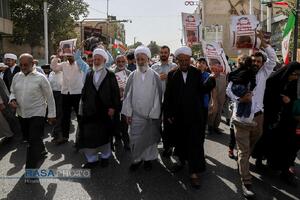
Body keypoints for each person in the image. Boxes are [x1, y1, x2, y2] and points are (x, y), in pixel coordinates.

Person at [226, 32, 276, 198]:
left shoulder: (263, 74)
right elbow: (228, 90)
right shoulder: (239, 74)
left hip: (258, 118)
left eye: (259, 61)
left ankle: (244, 161)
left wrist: (263, 43)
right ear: (249, 62)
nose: (256, 63)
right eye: (253, 61)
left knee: (250, 146)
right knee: (244, 151)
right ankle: (246, 181)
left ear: (262, 64)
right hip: (241, 119)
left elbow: (273, 59)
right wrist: (240, 97)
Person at [163, 46, 215, 189]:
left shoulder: (197, 73)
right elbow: (168, 97)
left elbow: (203, 89)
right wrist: (168, 114)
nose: (184, 63)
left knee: (194, 143)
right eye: (182, 60)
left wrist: (212, 79)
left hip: (194, 116)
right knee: (180, 141)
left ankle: (194, 173)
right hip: (179, 117)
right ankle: (181, 162)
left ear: (190, 60)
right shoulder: (172, 74)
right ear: (177, 60)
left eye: (187, 60)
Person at [9, 53, 56, 183]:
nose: (23, 67)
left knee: (32, 141)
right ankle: (41, 151)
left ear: (32, 64)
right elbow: (12, 91)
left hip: (37, 113)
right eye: (21, 64)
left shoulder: (40, 78)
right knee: (31, 139)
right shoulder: (16, 77)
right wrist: (12, 99)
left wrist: (51, 115)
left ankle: (30, 172)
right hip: (22, 114)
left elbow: (50, 97)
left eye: (26, 65)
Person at [77, 48, 121, 169]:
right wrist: (83, 107)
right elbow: (85, 92)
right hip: (90, 111)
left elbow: (115, 93)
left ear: (104, 60)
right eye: (94, 59)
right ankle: (92, 160)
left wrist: (113, 107)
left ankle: (105, 157)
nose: (95, 61)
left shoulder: (110, 74)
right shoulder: (89, 73)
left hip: (104, 111)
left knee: (104, 136)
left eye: (98, 59)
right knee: (89, 136)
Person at [122, 46, 162, 171]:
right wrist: (128, 113)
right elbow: (127, 95)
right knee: (135, 138)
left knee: (149, 139)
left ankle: (148, 160)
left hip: (150, 116)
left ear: (148, 59)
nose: (140, 61)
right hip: (136, 115)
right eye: (138, 59)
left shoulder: (155, 76)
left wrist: (154, 114)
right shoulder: (132, 76)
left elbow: (158, 96)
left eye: (142, 59)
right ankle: (137, 160)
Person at [267, 62, 300, 185]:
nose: (296, 77)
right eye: (294, 74)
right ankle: (274, 165)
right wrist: (280, 98)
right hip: (276, 119)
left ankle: (285, 171)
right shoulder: (275, 80)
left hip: (290, 120)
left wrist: (290, 102)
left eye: (298, 75)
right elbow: (268, 95)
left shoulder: (295, 84)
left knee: (290, 145)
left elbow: (294, 100)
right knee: (276, 144)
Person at [50, 48, 86, 144]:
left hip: (77, 93)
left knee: (79, 116)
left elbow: (85, 67)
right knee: (65, 116)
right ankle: (65, 137)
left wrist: (78, 52)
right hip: (65, 93)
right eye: (68, 55)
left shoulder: (79, 64)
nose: (69, 56)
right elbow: (53, 67)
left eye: (71, 55)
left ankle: (82, 137)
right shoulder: (63, 64)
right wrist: (57, 55)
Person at [151, 45, 177, 157]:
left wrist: (169, 77)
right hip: (156, 100)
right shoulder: (153, 67)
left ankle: (167, 146)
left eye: (165, 52)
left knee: (168, 125)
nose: (163, 54)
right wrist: (158, 78)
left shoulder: (174, 67)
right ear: (159, 54)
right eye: (161, 52)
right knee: (156, 124)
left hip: (169, 102)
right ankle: (157, 142)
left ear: (169, 53)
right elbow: (150, 83)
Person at [228, 55, 257, 125]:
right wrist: (250, 91)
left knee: (243, 100)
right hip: (240, 87)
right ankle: (246, 117)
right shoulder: (250, 71)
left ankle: (239, 116)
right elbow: (253, 82)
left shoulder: (237, 70)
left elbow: (230, 75)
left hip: (234, 87)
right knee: (248, 100)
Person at [111, 55, 131, 150]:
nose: (121, 63)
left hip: (125, 101)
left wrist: (125, 90)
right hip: (114, 102)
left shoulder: (130, 73)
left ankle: (126, 140)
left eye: (123, 61)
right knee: (115, 120)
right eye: (118, 61)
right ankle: (117, 139)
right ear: (116, 62)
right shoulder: (111, 73)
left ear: (126, 61)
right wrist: (117, 90)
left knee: (124, 122)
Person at [207, 58, 227, 134]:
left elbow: (226, 86)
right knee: (212, 111)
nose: (216, 66)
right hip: (213, 98)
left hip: (221, 98)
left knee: (219, 112)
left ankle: (216, 127)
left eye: (217, 64)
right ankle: (210, 126)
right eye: (212, 64)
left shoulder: (224, 76)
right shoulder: (211, 76)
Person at [48, 57, 63, 144]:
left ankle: (58, 134)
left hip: (61, 95)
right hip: (52, 95)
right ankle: (56, 133)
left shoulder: (63, 73)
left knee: (60, 114)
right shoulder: (51, 74)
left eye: (57, 63)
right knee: (53, 114)